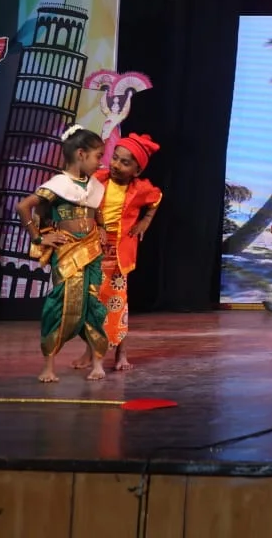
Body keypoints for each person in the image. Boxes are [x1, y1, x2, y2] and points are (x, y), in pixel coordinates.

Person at [16, 125, 109, 382]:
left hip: (91, 248)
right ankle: (49, 366)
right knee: (60, 301)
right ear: (81, 154)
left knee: (92, 302)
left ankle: (97, 362)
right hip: (67, 250)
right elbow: (23, 206)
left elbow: (96, 212)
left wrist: (100, 228)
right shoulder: (57, 185)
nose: (101, 161)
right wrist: (38, 236)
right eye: (97, 156)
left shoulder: (94, 187)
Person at [72, 133, 162, 373]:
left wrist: (145, 222)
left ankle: (121, 353)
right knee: (91, 303)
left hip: (119, 256)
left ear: (137, 170)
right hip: (95, 250)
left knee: (117, 305)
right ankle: (90, 351)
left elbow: (156, 198)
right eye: (115, 158)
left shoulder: (140, 189)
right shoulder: (99, 179)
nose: (116, 165)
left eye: (125, 162)